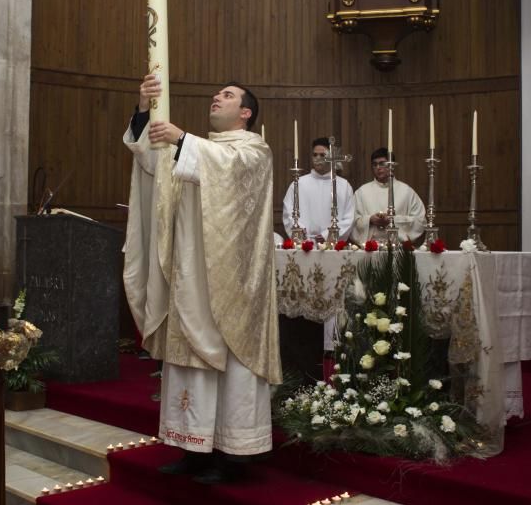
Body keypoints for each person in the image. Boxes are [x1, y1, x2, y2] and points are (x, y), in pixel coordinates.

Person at [123, 75, 281, 484]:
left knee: (229, 360)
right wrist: (145, 112)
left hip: (231, 283)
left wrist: (182, 139)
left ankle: (232, 454)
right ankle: (192, 447)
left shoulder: (253, 149)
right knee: (189, 357)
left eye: (227, 96)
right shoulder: (194, 149)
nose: (217, 97)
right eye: (217, 93)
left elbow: (226, 170)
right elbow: (152, 166)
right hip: (191, 274)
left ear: (245, 113)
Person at [281, 137, 356, 242]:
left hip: (332, 246)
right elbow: (289, 213)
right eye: (315, 155)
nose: (318, 158)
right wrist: (303, 236)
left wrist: (326, 236)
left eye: (322, 155)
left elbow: (349, 217)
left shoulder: (344, 186)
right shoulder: (298, 184)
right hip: (304, 244)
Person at [351, 147, 426, 244]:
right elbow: (352, 221)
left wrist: (393, 220)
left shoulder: (407, 191)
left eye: (382, 163)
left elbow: (420, 221)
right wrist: (369, 220)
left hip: (398, 249)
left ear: (392, 165)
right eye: (374, 164)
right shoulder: (361, 192)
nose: (378, 167)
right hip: (370, 249)